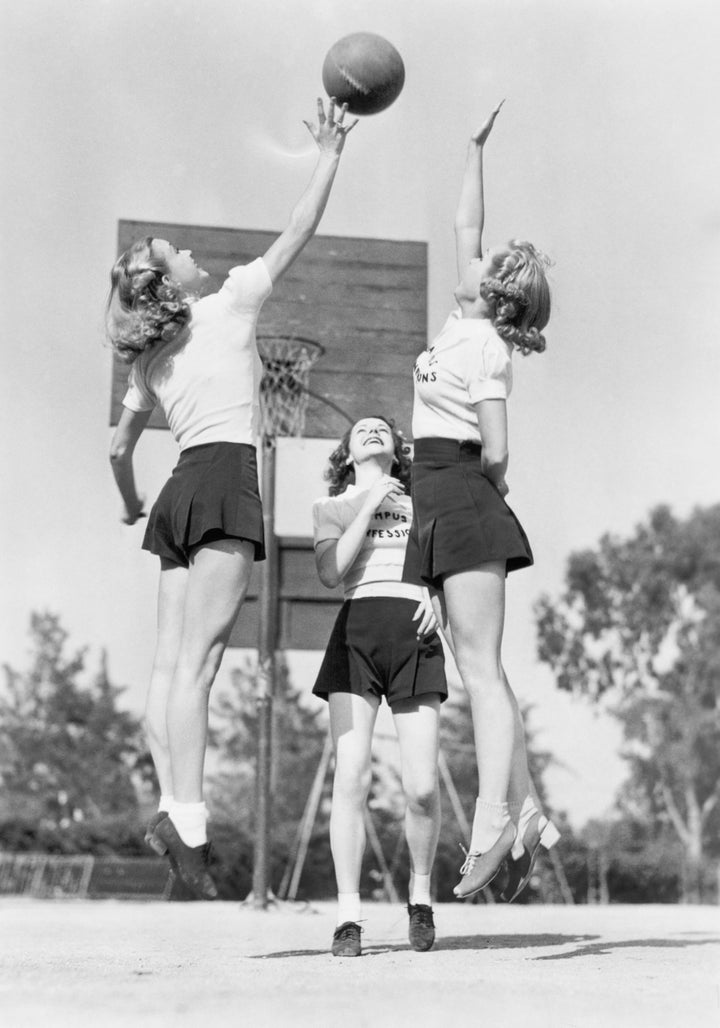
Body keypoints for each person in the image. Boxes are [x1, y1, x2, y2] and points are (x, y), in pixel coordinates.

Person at [106, 99, 357, 899]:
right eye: (170, 251)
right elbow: (300, 226)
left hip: (177, 490)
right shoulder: (233, 303)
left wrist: (128, 501)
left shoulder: (147, 364)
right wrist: (329, 153)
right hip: (221, 480)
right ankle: (187, 817)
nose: (185, 249)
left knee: (169, 667)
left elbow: (117, 448)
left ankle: (174, 804)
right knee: (202, 666)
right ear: (165, 284)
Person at [404, 102, 559, 903]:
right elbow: (466, 221)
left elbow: (498, 450)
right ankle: (527, 809)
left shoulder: (488, 348)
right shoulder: (460, 319)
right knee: (477, 669)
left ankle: (497, 817)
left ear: (494, 292)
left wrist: (478, 499)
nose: (472, 255)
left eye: (487, 260)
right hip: (438, 498)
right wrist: (471, 146)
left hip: (461, 493)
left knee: (481, 672)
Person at [312, 415, 447, 956]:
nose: (371, 431)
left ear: (398, 449)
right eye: (360, 430)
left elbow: (444, 572)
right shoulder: (332, 507)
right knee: (351, 777)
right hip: (357, 634)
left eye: (381, 428)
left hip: (414, 636)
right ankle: (349, 917)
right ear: (347, 452)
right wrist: (369, 501)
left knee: (421, 788)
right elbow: (330, 571)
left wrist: (437, 595)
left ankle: (420, 897)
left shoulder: (425, 505)